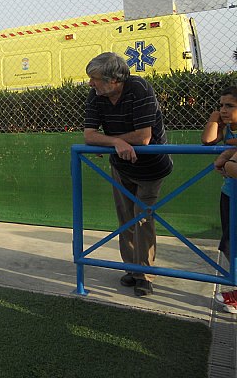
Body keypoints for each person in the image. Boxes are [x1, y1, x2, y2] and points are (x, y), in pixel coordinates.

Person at [84, 52, 173, 297]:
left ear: (114, 80)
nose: (90, 83)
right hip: (122, 167)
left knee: (142, 218)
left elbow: (143, 137)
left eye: (95, 78)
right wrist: (115, 143)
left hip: (151, 167)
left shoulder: (139, 88)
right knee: (126, 218)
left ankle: (145, 275)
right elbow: (89, 136)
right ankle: (133, 269)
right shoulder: (96, 94)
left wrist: (110, 142)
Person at [206, 87, 237, 313]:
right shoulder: (226, 129)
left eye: (230, 106)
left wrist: (227, 154)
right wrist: (214, 118)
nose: (223, 110)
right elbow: (208, 140)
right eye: (221, 105)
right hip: (229, 193)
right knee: (228, 244)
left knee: (231, 244)